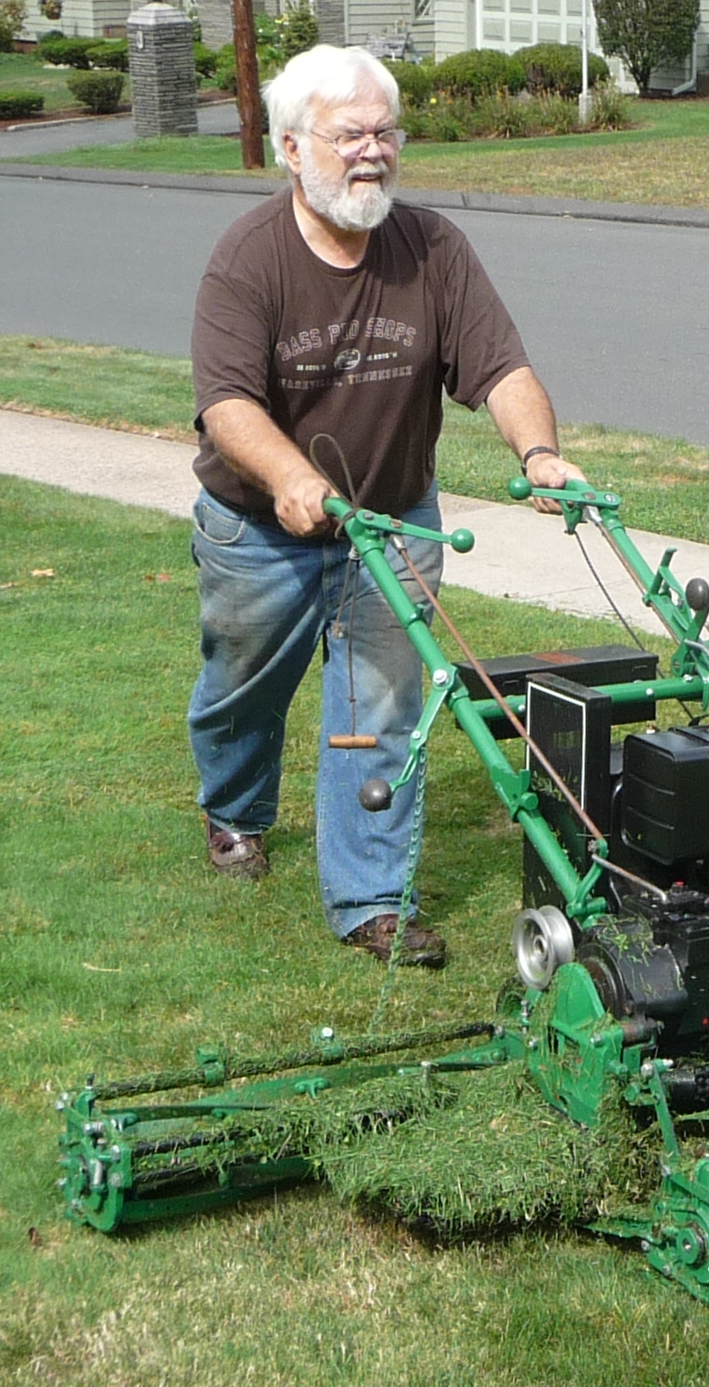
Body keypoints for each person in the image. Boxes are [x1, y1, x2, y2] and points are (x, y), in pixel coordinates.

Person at [188, 44, 581, 969]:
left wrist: (541, 451)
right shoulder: (247, 259)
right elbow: (228, 403)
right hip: (258, 528)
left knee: (380, 702)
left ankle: (372, 898)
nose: (372, 151)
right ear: (291, 148)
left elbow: (501, 366)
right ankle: (235, 809)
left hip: (392, 521)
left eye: (384, 132)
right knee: (242, 690)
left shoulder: (434, 247)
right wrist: (290, 478)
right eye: (347, 134)